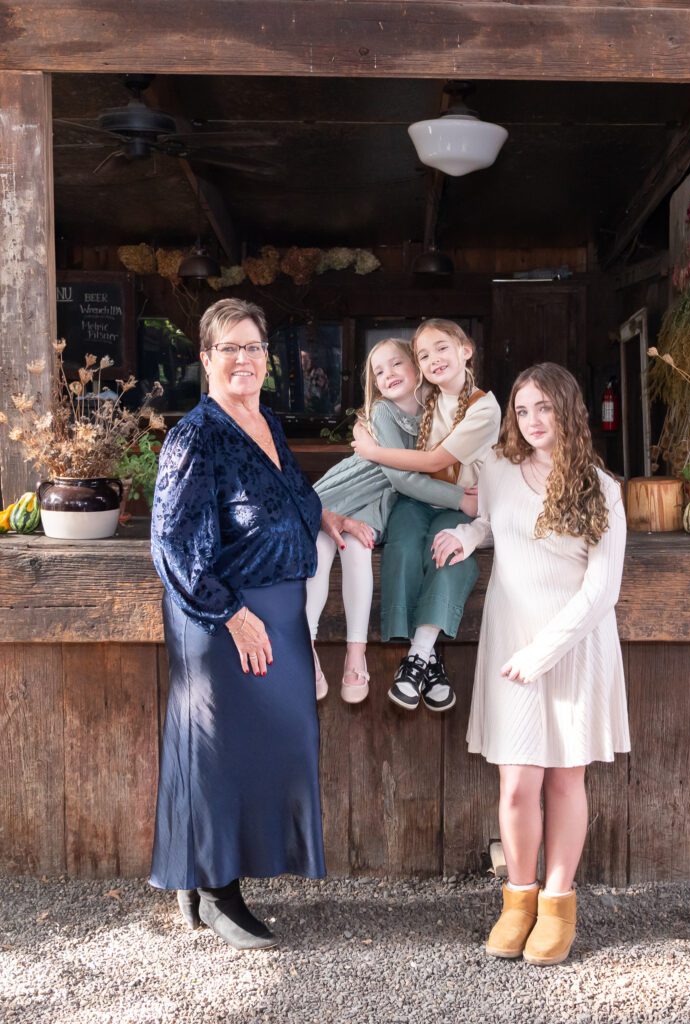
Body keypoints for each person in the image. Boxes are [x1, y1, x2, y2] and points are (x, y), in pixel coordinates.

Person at [150, 298, 352, 950]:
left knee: (274, 748)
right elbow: (173, 548)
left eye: (254, 348)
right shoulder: (196, 437)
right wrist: (231, 615)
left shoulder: (264, 420)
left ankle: (202, 873)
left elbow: (288, 491)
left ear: (268, 360)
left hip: (278, 611)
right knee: (219, 755)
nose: (243, 359)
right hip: (222, 615)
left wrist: (326, 518)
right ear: (205, 358)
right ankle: (215, 893)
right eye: (229, 348)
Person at [431, 363, 629, 967]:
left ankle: (559, 903)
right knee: (517, 784)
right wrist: (467, 538)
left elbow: (604, 590)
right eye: (522, 410)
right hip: (510, 637)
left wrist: (544, 653)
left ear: (568, 410)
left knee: (567, 778)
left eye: (544, 408)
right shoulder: (498, 470)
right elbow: (494, 522)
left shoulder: (602, 488)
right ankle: (517, 902)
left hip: (571, 647)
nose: (532, 421)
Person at [306, 338, 478, 704]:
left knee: (357, 547)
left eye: (396, 364)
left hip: (377, 502)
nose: (388, 375)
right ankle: (306, 649)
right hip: (351, 489)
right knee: (319, 548)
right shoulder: (383, 412)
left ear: (417, 368)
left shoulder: (439, 411)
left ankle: (357, 653)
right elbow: (402, 476)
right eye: (379, 372)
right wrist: (458, 499)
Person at [351, 319, 500, 711]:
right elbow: (384, 405)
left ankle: (416, 655)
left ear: (466, 349)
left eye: (442, 349)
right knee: (401, 546)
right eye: (424, 354)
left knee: (448, 552)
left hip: (462, 500)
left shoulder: (482, 406)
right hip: (420, 498)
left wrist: (373, 451)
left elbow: (435, 459)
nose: (434, 359)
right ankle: (430, 660)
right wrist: (367, 423)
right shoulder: (427, 393)